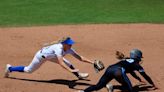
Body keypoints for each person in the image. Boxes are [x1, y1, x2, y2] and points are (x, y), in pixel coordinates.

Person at [4, 37, 94, 79]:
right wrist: (70, 71)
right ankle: (10, 68)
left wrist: (92, 62)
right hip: (41, 57)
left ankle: (79, 76)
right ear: (65, 44)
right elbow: (61, 63)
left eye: (71, 44)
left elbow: (80, 57)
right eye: (69, 44)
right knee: (28, 70)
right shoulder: (58, 48)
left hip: (51, 56)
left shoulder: (68, 48)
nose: (71, 45)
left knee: (68, 63)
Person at [78, 49, 158, 92]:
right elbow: (145, 75)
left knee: (98, 86)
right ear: (138, 57)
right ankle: (111, 88)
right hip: (118, 71)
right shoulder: (137, 65)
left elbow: (131, 72)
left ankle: (83, 91)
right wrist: (152, 84)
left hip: (110, 69)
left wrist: (138, 79)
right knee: (130, 89)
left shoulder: (127, 60)